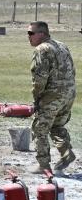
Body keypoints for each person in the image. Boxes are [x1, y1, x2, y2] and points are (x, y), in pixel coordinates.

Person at [28, 21, 76, 173]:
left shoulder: (42, 49)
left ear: (42, 34)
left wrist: (37, 98)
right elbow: (72, 70)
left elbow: (40, 79)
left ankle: (43, 165)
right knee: (57, 125)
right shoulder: (61, 45)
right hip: (68, 94)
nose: (28, 37)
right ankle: (66, 152)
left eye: (31, 33)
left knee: (39, 129)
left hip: (52, 95)